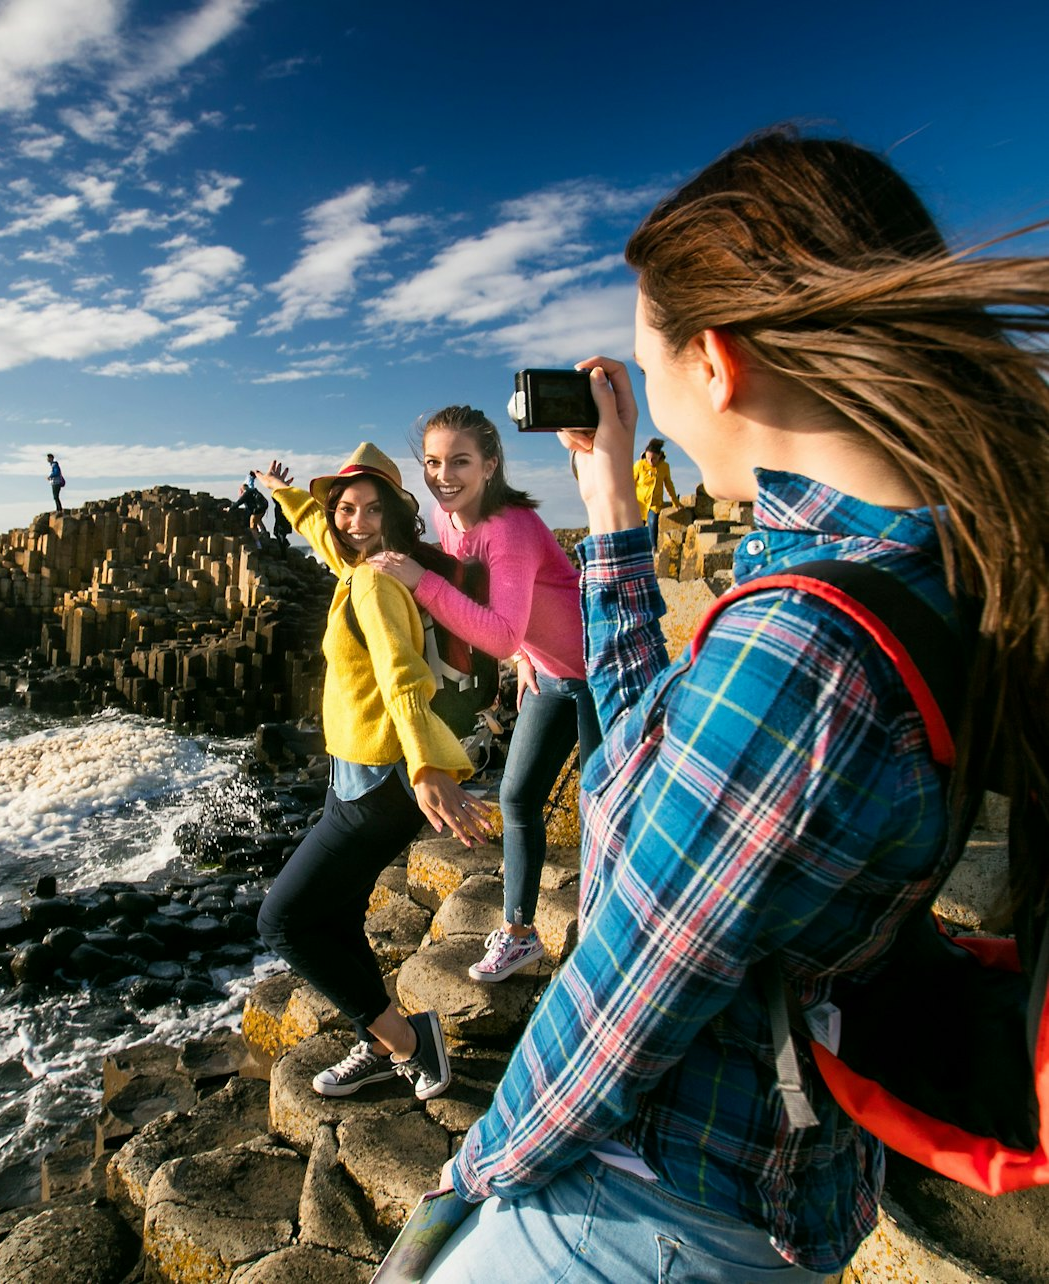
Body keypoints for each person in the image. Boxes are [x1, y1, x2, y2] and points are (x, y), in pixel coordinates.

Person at [420, 127, 1049, 1282]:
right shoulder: (923, 567)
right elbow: (651, 750)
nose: (645, 394)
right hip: (778, 1187)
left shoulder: (801, 650)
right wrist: (611, 510)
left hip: (647, 1211)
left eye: (647, 361)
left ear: (716, 364)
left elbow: (620, 998)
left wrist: (460, 1185)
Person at [253, 444, 495, 1101]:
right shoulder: (366, 564)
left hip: (379, 787)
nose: (353, 521)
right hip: (357, 781)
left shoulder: (375, 581)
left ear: (394, 514)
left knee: (284, 922)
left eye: (368, 509)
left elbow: (401, 674)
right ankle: (381, 1042)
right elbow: (323, 536)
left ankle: (412, 1044)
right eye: (344, 509)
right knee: (334, 917)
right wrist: (285, 494)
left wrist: (425, 764)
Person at [369, 406, 600, 984]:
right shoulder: (451, 522)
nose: (443, 475)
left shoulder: (511, 528)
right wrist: (526, 659)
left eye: (459, 461)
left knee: (606, 812)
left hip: (601, 677)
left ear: (491, 465)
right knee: (519, 798)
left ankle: (609, 933)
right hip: (549, 677)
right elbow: (509, 622)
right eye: (432, 461)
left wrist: (420, 583)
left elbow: (499, 630)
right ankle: (520, 935)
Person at [632, 435, 680, 550]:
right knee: (637, 529)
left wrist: (676, 502)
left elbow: (669, 485)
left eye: (653, 458)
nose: (650, 461)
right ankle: (637, 551)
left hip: (654, 504)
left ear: (659, 456)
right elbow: (630, 482)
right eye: (648, 458)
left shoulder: (664, 467)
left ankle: (654, 549)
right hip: (640, 503)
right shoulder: (639, 465)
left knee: (653, 522)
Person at [230, 475, 269, 547]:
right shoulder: (253, 491)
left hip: (257, 510)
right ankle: (263, 532)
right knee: (257, 519)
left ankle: (258, 544)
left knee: (252, 526)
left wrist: (229, 509)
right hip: (263, 508)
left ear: (242, 490)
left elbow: (238, 503)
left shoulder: (246, 494)